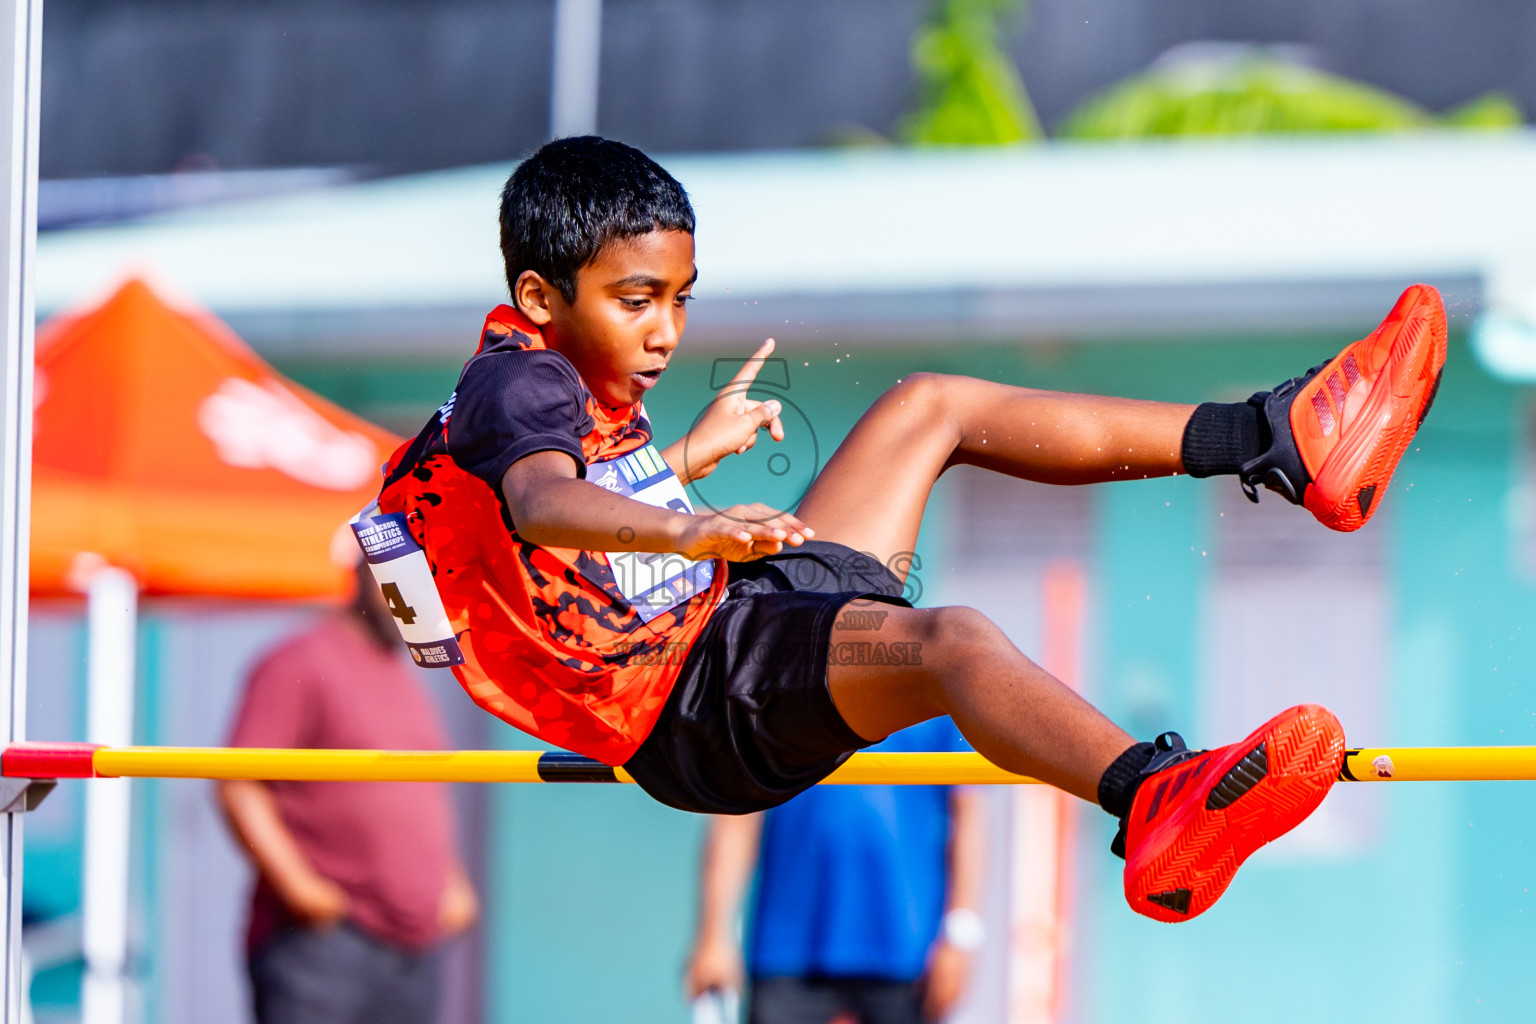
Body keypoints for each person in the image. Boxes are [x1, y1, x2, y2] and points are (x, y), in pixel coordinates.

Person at [374, 135, 1447, 921]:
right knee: (954, 641)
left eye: (681, 299)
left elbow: (543, 525)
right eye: (638, 300)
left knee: (928, 405)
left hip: (720, 633)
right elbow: (544, 505)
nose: (666, 332)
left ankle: (1278, 439)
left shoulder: (555, 380)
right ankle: (1156, 795)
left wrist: (687, 460)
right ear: (538, 295)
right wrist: (692, 529)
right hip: (693, 707)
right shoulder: (517, 385)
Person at [217, 562, 480, 1024]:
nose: (415, 596)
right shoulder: (300, 661)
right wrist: (301, 889)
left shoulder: (404, 677)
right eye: (400, 579)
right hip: (327, 941)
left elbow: (420, 796)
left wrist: (451, 883)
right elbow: (239, 783)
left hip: (417, 944)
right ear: (364, 573)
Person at [685, 718, 985, 1024]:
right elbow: (738, 818)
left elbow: (968, 816)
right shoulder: (777, 682)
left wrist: (960, 935)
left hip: (907, 949)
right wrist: (712, 935)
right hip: (787, 948)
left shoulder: (938, 686)